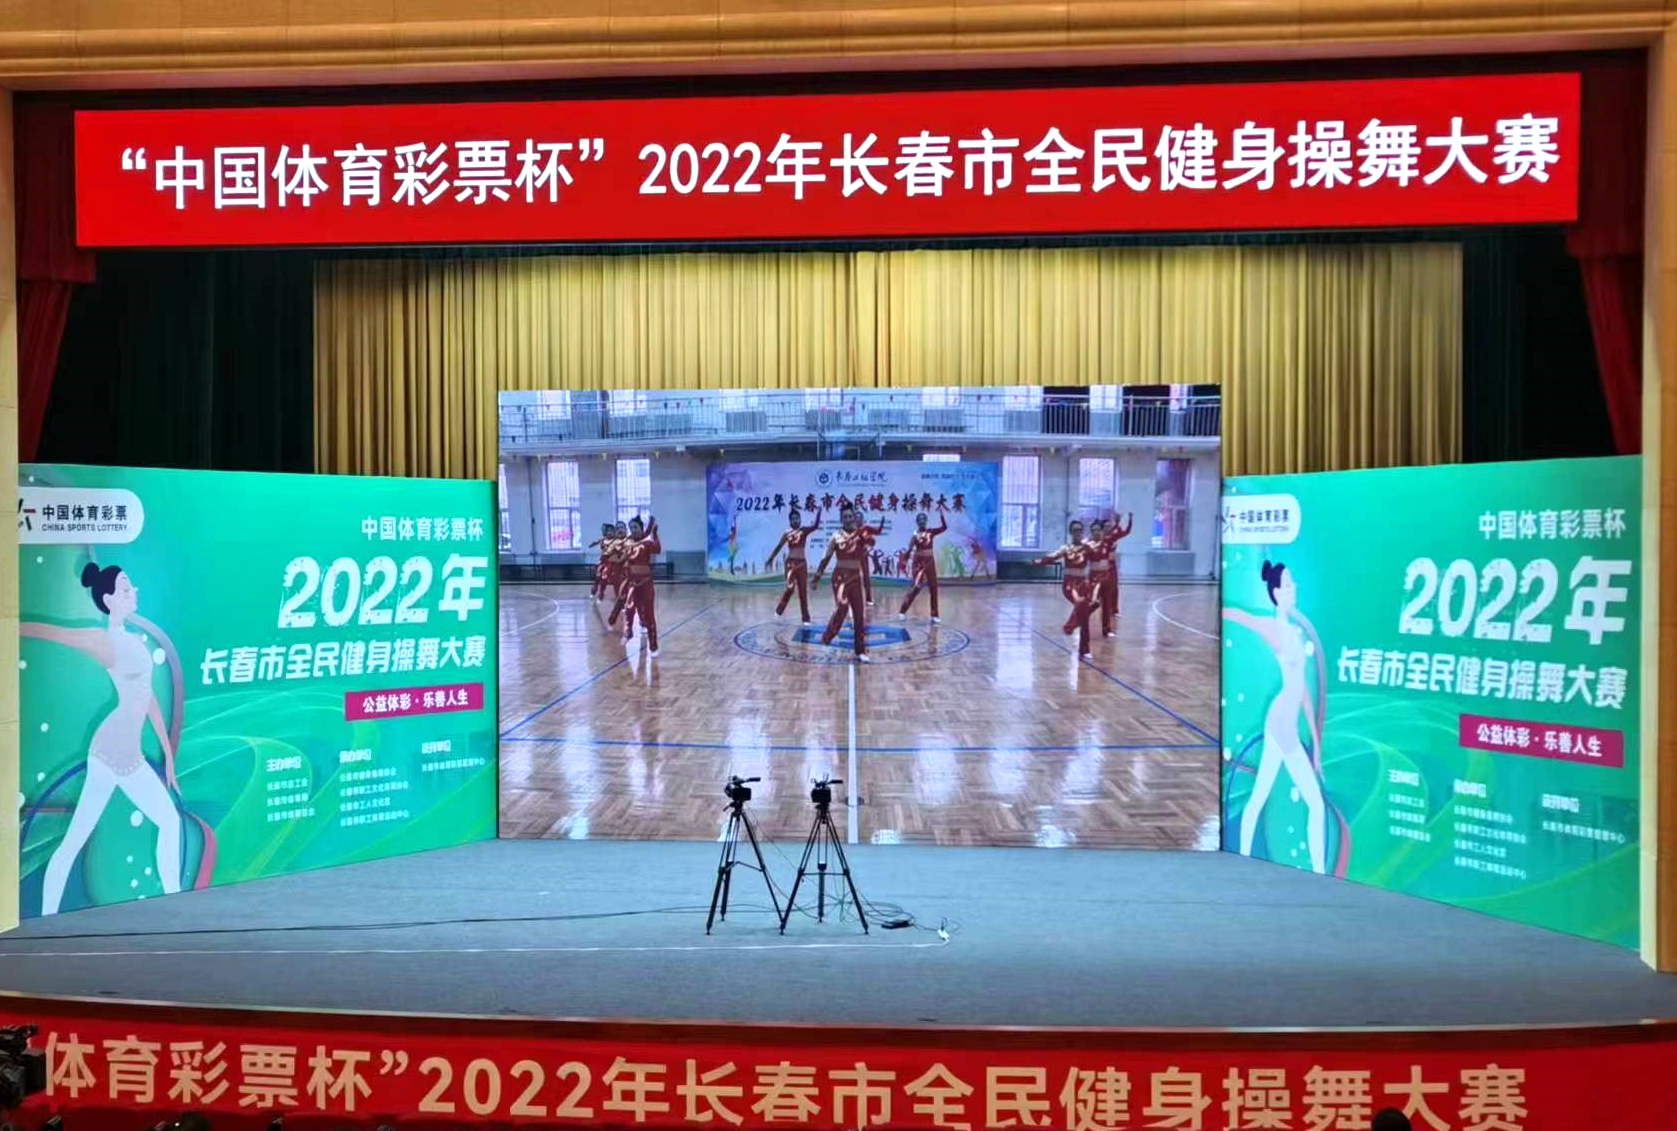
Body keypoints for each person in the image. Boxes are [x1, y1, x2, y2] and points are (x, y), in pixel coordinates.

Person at [25, 563, 183, 916]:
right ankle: (48, 914)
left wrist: (168, 756)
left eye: (132, 586)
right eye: (125, 589)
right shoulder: (103, 640)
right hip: (108, 752)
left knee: (169, 821)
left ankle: (175, 900)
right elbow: (51, 632)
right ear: (109, 599)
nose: (134, 591)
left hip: (130, 755)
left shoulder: (134, 641)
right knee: (75, 839)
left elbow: (147, 697)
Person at [1223, 560, 1329, 874]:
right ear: (1277, 593)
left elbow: (1303, 690)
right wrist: (1221, 610)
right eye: (1288, 584)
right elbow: (1240, 616)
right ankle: (1315, 869)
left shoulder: (1295, 633)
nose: (1294, 588)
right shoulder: (1273, 627)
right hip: (1281, 723)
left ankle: (1247, 856)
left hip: (1286, 721)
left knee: (1263, 795)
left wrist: (1316, 744)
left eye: (1293, 582)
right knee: (1311, 802)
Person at [812, 508, 872, 663]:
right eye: (845, 516)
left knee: (859, 614)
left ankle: (860, 651)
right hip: (840, 578)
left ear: (854, 518)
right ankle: (827, 637)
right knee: (843, 607)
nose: (848, 518)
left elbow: (869, 546)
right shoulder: (836, 537)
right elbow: (826, 558)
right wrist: (817, 577)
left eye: (850, 516)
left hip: (855, 578)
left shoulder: (861, 536)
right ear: (841, 519)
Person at [1033, 519, 1098, 660]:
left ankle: (1082, 645)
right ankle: (1071, 628)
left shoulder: (1087, 548)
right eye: (1075, 530)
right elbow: (1052, 557)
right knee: (1082, 606)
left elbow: (1098, 559)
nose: (1078, 532)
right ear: (1071, 532)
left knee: (1085, 613)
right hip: (1070, 585)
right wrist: (1037, 562)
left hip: (1083, 584)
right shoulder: (1066, 548)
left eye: (1080, 529)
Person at [766, 508, 822, 624]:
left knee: (803, 592)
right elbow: (778, 546)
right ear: (790, 521)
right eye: (793, 519)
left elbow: (815, 526)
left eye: (797, 518)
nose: (795, 521)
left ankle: (806, 619)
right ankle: (779, 611)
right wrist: (771, 559)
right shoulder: (787, 533)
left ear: (800, 519)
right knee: (790, 589)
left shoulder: (804, 530)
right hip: (790, 564)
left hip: (802, 564)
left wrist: (819, 513)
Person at [1085, 512, 1134, 638]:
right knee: (1092, 602)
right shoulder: (1088, 545)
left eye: (1098, 530)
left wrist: (1121, 522)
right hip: (1093, 578)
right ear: (1091, 532)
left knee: (1107, 602)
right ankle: (1082, 619)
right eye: (1094, 530)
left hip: (1106, 576)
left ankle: (1106, 629)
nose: (1097, 532)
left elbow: (1119, 533)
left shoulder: (1107, 541)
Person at [620, 515, 663, 656]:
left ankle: (653, 645)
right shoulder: (627, 543)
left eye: (636, 527)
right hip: (632, 583)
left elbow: (657, 549)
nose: (633, 530)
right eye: (631, 527)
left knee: (649, 615)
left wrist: (654, 534)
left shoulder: (646, 543)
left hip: (646, 583)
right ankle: (628, 632)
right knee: (629, 608)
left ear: (641, 528)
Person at [898, 511, 948, 621]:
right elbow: (909, 550)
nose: (922, 521)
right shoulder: (915, 535)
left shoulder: (931, 532)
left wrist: (941, 515)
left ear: (926, 521)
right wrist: (904, 561)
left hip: (930, 562)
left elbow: (944, 527)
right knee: (916, 588)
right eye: (920, 519)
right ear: (917, 522)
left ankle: (934, 615)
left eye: (923, 519)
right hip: (919, 563)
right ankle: (902, 611)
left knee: (933, 587)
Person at [606, 520, 631, 627]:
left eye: (622, 527)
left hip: (629, 572)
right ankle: (619, 615)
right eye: (618, 528)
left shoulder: (631, 541)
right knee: (619, 595)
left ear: (626, 529)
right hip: (616, 573)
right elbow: (608, 556)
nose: (620, 530)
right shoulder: (612, 544)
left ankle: (615, 615)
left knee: (628, 595)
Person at [857, 514, 884, 606]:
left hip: (863, 556)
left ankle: (868, 599)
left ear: (862, 519)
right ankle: (852, 599)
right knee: (852, 577)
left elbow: (878, 532)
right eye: (857, 518)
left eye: (860, 518)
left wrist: (882, 523)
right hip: (853, 556)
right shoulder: (852, 529)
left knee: (866, 577)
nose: (858, 519)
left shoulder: (866, 528)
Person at [588, 522, 615, 600]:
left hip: (610, 563)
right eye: (608, 531)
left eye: (611, 531)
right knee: (597, 578)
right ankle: (593, 592)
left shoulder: (615, 541)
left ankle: (601, 594)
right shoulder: (602, 540)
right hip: (602, 561)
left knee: (604, 579)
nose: (609, 532)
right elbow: (595, 543)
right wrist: (592, 544)